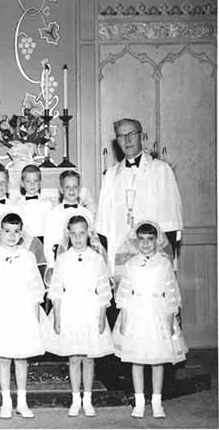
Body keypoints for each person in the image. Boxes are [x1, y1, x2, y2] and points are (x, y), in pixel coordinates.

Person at [112, 221, 187, 418]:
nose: (145, 244)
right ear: (136, 241)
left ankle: (156, 401)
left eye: (150, 240)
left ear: (157, 241)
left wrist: (171, 318)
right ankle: (138, 401)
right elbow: (124, 293)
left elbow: (171, 292)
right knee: (136, 359)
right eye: (142, 239)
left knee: (157, 359)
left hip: (157, 313)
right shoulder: (130, 264)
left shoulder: (164, 264)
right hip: (136, 313)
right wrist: (125, 320)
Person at [0, 212, 45, 419]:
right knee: (4, 357)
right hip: (1, 310)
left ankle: (22, 402)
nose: (12, 235)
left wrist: (35, 313)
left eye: (16, 231)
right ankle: (6, 401)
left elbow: (35, 285)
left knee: (22, 357)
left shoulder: (28, 256)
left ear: (21, 233)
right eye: (7, 231)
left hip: (23, 310)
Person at [96, 118, 183, 279]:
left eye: (131, 134)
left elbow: (171, 219)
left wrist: (165, 261)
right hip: (120, 256)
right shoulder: (111, 176)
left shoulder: (160, 170)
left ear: (141, 136)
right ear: (117, 141)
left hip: (153, 255)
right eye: (121, 136)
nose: (127, 140)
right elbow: (103, 223)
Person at [46, 215, 113, 417]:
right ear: (68, 235)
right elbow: (56, 290)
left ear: (88, 234)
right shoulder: (63, 259)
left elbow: (103, 290)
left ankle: (88, 399)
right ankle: (76, 399)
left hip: (90, 309)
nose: (77, 238)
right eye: (73, 234)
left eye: (81, 233)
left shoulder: (96, 258)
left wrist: (102, 316)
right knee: (74, 357)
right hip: (69, 309)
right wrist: (57, 317)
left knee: (89, 357)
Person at [43, 170, 94, 270]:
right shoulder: (53, 214)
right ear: (61, 190)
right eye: (67, 187)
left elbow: (91, 240)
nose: (71, 190)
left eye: (75, 187)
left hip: (83, 262)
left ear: (79, 189)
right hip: (60, 263)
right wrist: (52, 266)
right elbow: (48, 243)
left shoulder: (87, 214)